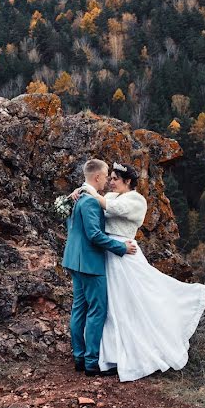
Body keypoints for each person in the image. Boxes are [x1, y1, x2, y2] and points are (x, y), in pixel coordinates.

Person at [74, 162, 205, 381]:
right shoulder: (113, 196)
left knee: (129, 303)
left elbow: (110, 208)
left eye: (116, 178)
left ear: (128, 182)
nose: (111, 181)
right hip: (108, 253)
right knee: (110, 306)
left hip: (124, 253)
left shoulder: (136, 200)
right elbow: (100, 207)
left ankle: (139, 349)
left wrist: (86, 189)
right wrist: (81, 191)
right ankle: (108, 356)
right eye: (111, 178)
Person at [62, 159, 138, 377]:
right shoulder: (93, 202)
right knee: (97, 310)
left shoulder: (77, 199)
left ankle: (79, 356)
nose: (108, 180)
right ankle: (91, 362)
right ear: (97, 177)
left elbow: (72, 227)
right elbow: (95, 235)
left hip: (73, 260)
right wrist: (121, 248)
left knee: (79, 308)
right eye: (106, 176)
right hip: (90, 262)